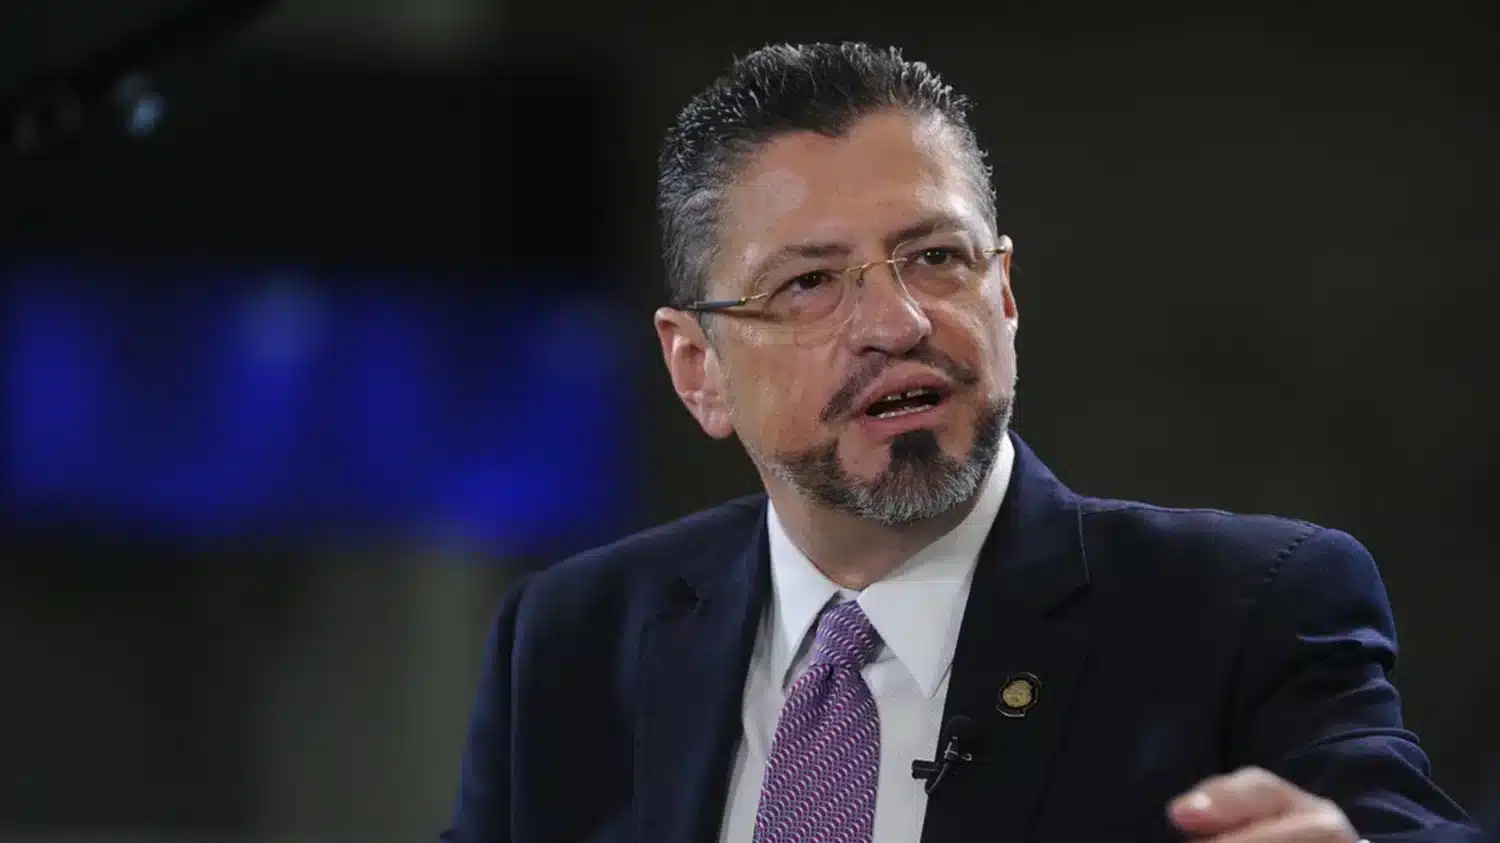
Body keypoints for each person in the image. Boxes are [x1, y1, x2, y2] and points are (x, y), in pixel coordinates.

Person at [438, 42, 1478, 843]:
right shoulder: (571, 641)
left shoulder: (1245, 611)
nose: (896, 323)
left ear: (1005, 295)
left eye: (936, 257)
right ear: (697, 367)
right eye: (810, 282)